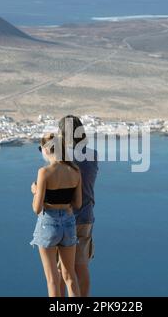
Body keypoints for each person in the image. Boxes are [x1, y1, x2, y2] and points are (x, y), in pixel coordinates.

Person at [30, 133, 82, 297]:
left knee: (52, 280)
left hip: (49, 223)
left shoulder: (44, 172)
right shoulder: (75, 170)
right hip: (68, 223)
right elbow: (78, 204)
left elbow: (36, 208)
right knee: (70, 276)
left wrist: (36, 191)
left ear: (46, 149)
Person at [58, 115, 98, 297]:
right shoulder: (93, 154)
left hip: (66, 218)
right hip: (86, 217)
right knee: (82, 268)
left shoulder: (62, 157)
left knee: (62, 271)